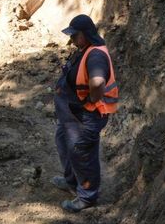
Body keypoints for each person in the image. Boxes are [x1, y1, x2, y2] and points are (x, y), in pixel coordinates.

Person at [51, 14, 119, 212]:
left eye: (75, 36)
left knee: (81, 152)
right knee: (64, 143)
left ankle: (87, 196)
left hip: (85, 117)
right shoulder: (84, 49)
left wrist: (90, 100)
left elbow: (97, 82)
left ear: (86, 34)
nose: (71, 40)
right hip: (71, 116)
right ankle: (71, 181)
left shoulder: (96, 55)